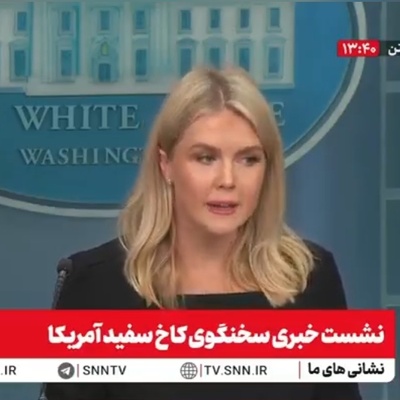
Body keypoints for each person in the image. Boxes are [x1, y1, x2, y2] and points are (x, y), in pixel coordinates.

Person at [45, 67, 362, 400]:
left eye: (248, 159)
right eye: (206, 158)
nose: (227, 180)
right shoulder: (95, 285)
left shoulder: (310, 279)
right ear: (166, 165)